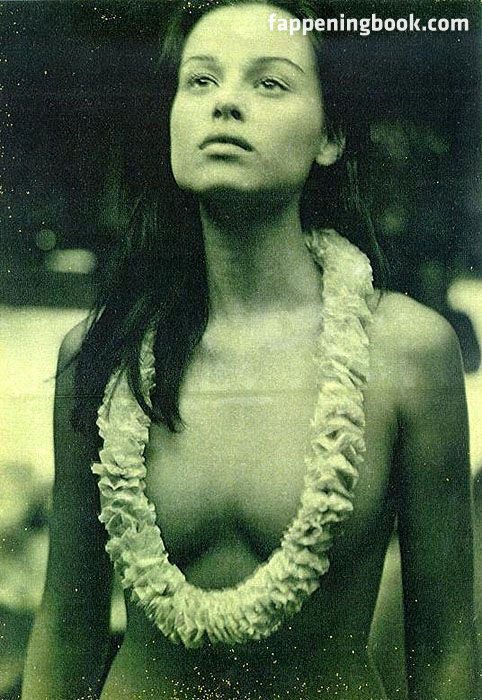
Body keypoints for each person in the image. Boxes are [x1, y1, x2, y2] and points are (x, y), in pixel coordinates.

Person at [21, 1, 476, 698]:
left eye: (269, 83)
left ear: (330, 136)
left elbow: (446, 652)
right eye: (201, 81)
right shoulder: (103, 353)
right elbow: (65, 631)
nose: (225, 103)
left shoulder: (408, 353)